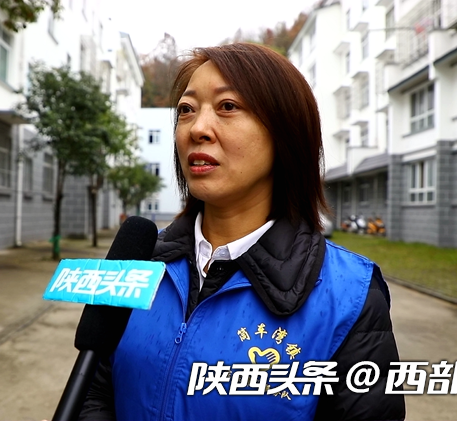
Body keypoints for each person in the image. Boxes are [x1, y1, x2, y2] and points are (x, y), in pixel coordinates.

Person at [79, 43, 405, 421]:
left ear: (285, 132)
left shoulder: (350, 294)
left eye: (228, 106)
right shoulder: (139, 260)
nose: (197, 128)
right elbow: (96, 391)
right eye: (186, 110)